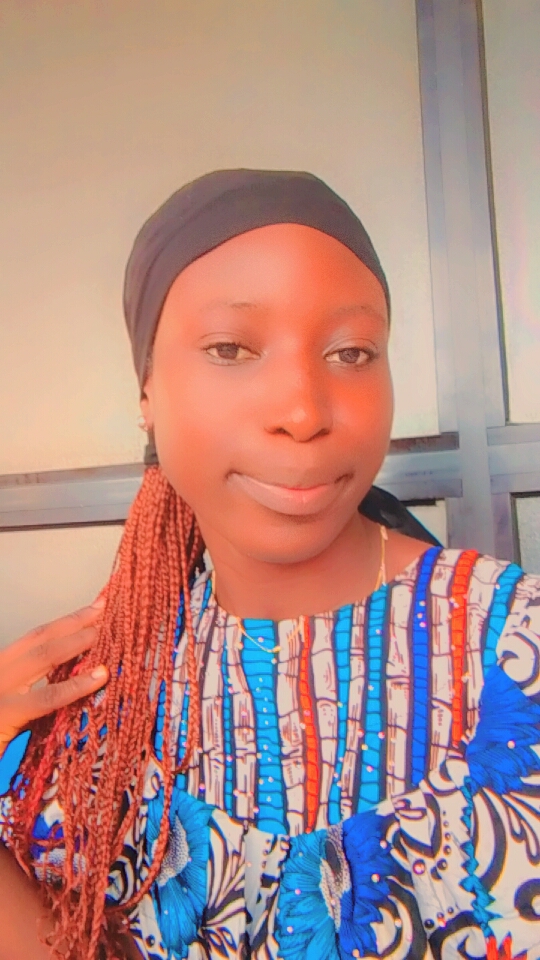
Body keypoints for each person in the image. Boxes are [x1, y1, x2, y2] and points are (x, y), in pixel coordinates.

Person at [0, 169, 539, 960]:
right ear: (146, 389)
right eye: (230, 348)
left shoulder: (517, 648)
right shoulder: (90, 707)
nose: (303, 410)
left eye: (352, 352)